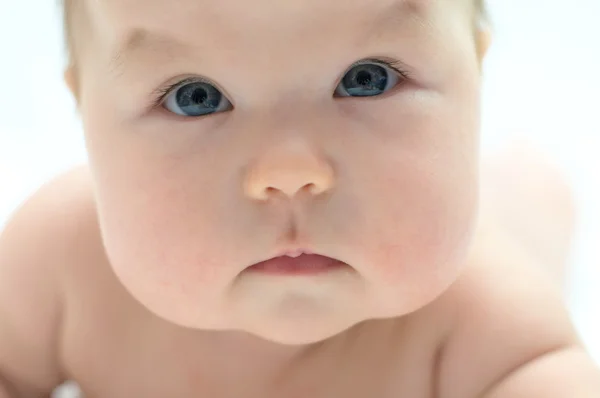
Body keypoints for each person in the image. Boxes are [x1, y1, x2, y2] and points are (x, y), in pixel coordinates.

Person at [1, 0, 599, 396]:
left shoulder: (481, 324)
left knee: (525, 219)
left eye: (368, 78)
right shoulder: (58, 265)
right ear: (86, 111)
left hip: (504, 240)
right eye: (196, 96)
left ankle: (529, 194)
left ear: (475, 78)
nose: (288, 173)